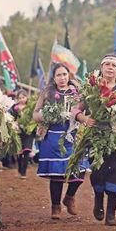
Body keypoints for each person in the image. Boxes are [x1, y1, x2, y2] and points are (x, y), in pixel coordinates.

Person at [75, 54, 116, 226]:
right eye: (107, 64)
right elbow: (76, 109)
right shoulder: (93, 88)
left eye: (114, 65)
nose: (110, 67)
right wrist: (84, 119)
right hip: (97, 138)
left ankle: (111, 214)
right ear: (101, 68)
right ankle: (98, 200)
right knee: (99, 172)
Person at [33, 63, 90, 220]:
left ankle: (70, 197)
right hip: (53, 136)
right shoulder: (47, 93)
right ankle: (55, 206)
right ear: (54, 77)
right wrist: (48, 115)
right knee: (57, 173)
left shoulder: (78, 93)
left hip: (74, 135)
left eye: (64, 74)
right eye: (58, 75)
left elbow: (87, 110)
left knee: (80, 170)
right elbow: (35, 114)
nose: (62, 78)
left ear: (69, 75)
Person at [10, 89, 34, 179]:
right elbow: (11, 118)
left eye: (23, 97)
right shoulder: (14, 108)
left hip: (28, 132)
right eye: (19, 98)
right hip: (19, 132)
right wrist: (15, 124)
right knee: (19, 152)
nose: (21, 99)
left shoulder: (30, 107)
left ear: (26, 97)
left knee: (26, 151)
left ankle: (24, 172)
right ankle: (20, 169)